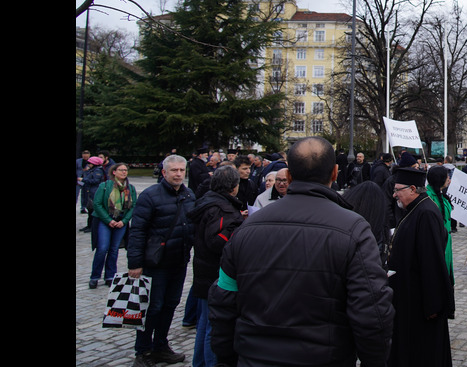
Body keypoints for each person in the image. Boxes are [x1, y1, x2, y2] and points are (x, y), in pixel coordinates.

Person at [209, 137, 394, 367]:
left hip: (255, 357)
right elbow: (372, 312)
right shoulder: (354, 229)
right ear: (335, 173)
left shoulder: (247, 228)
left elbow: (223, 302)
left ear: (290, 176)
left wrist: (227, 357)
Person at [127, 154, 196, 367]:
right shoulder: (150, 196)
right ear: (164, 172)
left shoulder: (189, 194)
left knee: (170, 305)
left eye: (181, 170)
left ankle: (160, 345)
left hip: (178, 261)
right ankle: (143, 351)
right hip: (155, 263)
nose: (178, 174)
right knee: (152, 307)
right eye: (174, 170)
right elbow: (137, 231)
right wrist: (135, 263)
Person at [386, 167, 454, 367]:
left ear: (413, 189)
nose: (394, 194)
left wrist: (433, 304)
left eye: (398, 189)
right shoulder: (414, 209)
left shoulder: (425, 212)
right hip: (409, 296)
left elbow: (432, 261)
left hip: (421, 303)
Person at [188, 165, 244, 367]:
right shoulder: (222, 208)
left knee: (205, 323)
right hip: (215, 272)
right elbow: (217, 241)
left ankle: (200, 362)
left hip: (204, 269)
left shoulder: (208, 201)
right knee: (213, 326)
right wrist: (238, 231)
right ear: (233, 187)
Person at [89, 163, 138, 289]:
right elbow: (97, 204)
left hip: (121, 221)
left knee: (114, 249)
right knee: (102, 248)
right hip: (105, 220)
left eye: (126, 170)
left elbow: (133, 207)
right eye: (121, 170)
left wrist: (125, 221)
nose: (124, 172)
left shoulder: (130, 188)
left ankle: (110, 276)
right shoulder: (105, 186)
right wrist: (107, 220)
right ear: (114, 172)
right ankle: (95, 276)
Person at [80, 156, 106, 233]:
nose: (88, 164)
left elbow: (95, 181)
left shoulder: (98, 171)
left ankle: (92, 226)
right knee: (89, 209)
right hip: (89, 191)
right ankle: (89, 225)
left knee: (93, 210)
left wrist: (83, 180)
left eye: (89, 163)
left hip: (94, 192)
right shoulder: (92, 170)